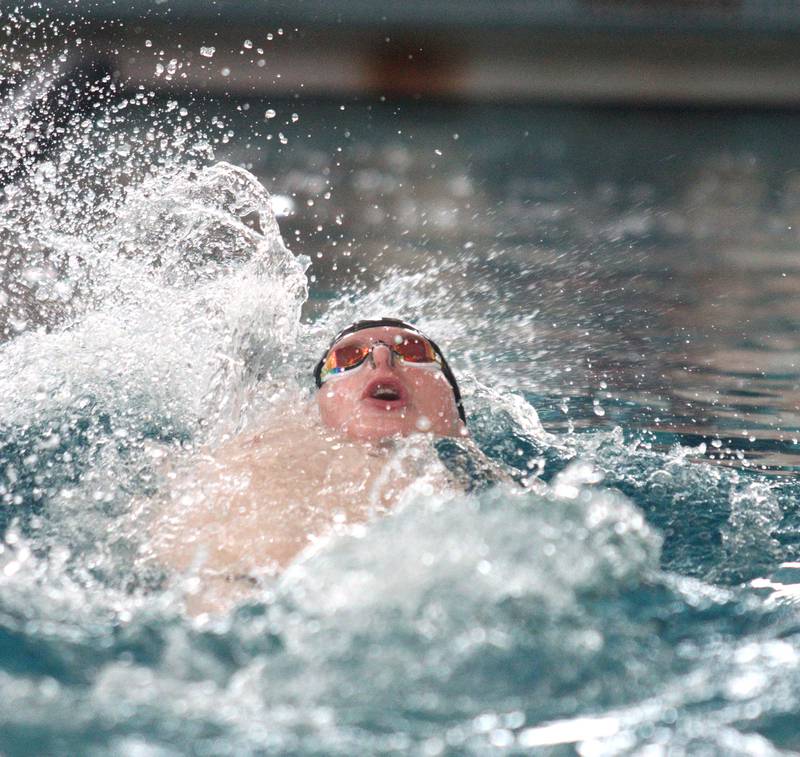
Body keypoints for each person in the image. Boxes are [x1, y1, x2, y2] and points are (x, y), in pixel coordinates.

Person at [141, 318, 473, 614]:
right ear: (319, 402)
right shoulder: (266, 436)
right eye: (348, 358)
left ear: (458, 414)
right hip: (222, 600)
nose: (382, 359)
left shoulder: (483, 480)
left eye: (414, 352)